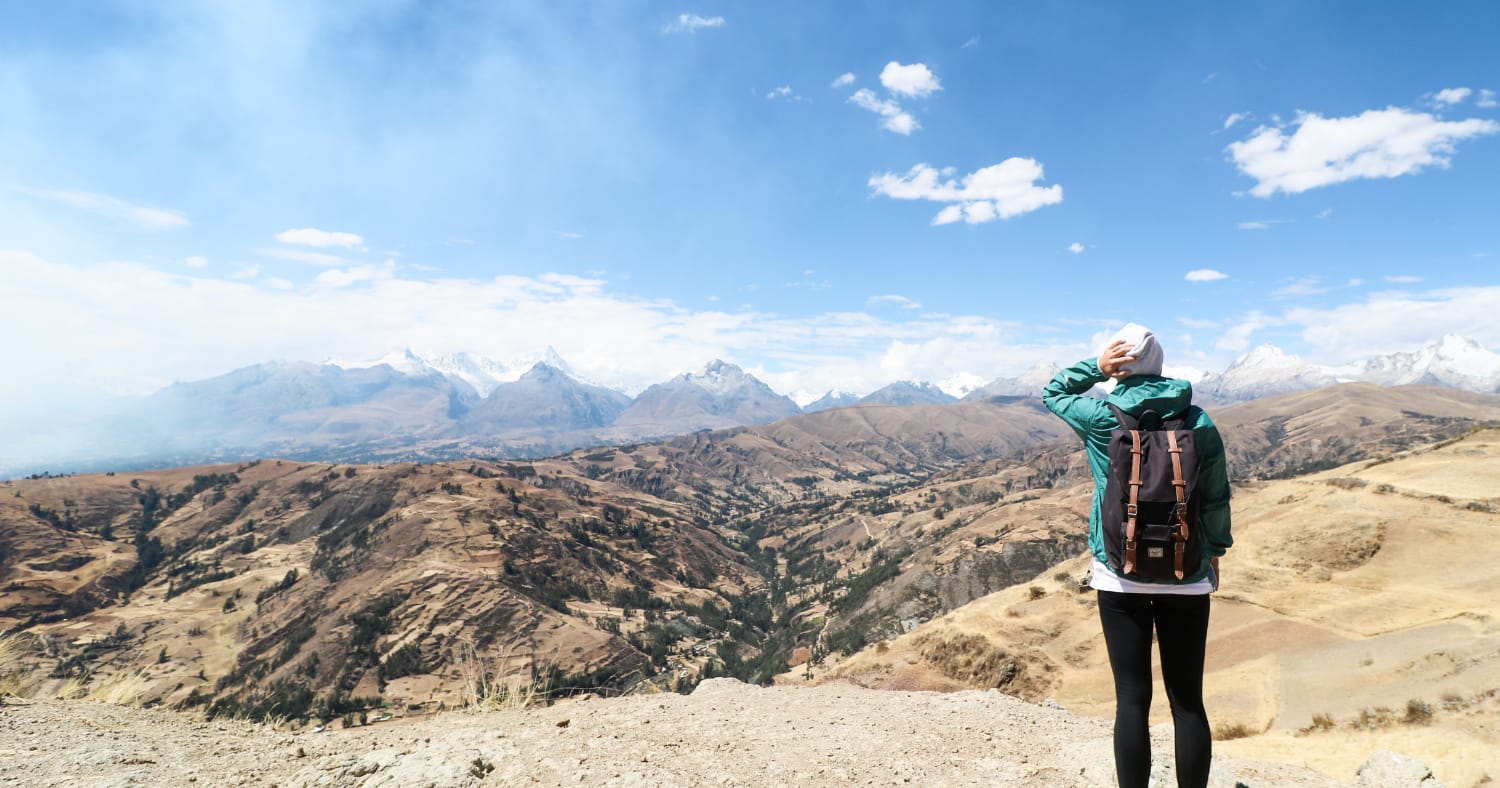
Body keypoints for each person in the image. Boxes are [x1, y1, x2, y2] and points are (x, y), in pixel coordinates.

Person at [1041, 323, 1232, 788]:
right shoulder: (1198, 421)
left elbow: (1053, 392)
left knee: (1131, 700)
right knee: (1188, 703)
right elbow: (1215, 497)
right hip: (1187, 574)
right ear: (1161, 366)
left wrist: (1095, 367)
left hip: (1118, 573)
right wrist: (1214, 552)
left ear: (1119, 368)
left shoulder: (1101, 416)